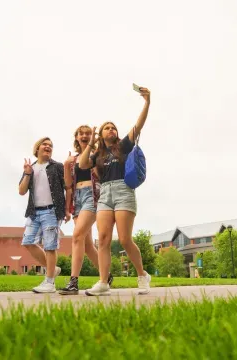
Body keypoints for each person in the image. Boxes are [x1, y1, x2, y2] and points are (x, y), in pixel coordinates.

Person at [79, 86, 151, 296]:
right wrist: (90, 143)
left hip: (123, 190)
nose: (111, 130)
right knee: (102, 239)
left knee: (125, 239)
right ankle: (103, 282)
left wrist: (147, 102)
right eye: (106, 128)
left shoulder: (123, 146)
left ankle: (141, 275)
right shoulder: (98, 154)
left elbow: (138, 126)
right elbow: (83, 165)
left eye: (113, 127)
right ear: (101, 134)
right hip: (105, 194)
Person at [59, 125, 113, 295]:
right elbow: (68, 185)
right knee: (87, 244)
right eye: (81, 133)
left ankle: (73, 282)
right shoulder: (72, 159)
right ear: (76, 137)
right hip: (77, 198)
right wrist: (66, 166)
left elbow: (101, 174)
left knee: (77, 236)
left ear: (93, 137)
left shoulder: (97, 155)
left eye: (88, 133)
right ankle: (107, 276)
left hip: (92, 194)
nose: (84, 135)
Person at [19, 137, 67, 293]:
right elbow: (21, 191)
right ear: (37, 148)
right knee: (27, 242)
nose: (48, 147)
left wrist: (67, 210)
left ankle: (50, 282)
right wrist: (27, 174)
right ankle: (53, 269)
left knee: (50, 246)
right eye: (45, 144)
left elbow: (68, 187)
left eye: (50, 145)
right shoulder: (30, 168)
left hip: (52, 210)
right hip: (34, 212)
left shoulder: (58, 167)